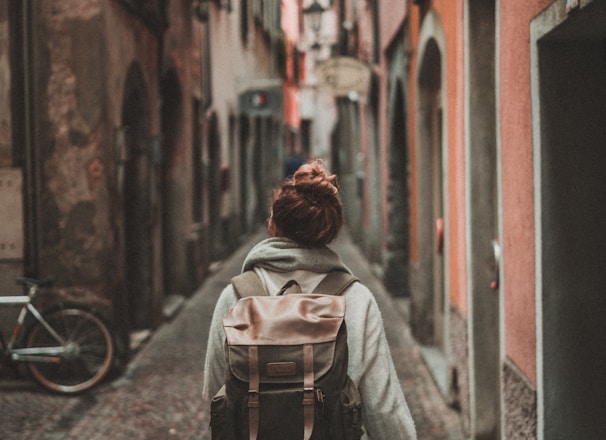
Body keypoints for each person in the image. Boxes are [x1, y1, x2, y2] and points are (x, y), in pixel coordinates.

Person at [203, 160, 417, 439]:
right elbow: (384, 410)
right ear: (329, 229)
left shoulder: (235, 298)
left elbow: (216, 389)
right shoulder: (356, 300)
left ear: (274, 224)